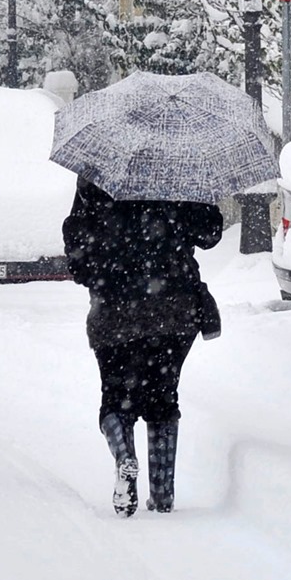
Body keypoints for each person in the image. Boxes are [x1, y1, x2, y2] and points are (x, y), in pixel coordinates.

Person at [62, 176, 224, 516]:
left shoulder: (99, 172)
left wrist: (102, 273)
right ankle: (163, 496)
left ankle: (125, 457)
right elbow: (210, 233)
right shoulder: (180, 167)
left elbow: (77, 249)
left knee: (116, 394)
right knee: (163, 395)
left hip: (115, 309)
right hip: (176, 307)